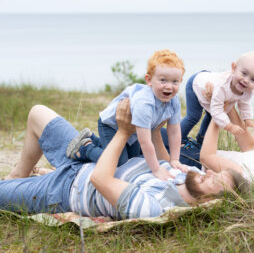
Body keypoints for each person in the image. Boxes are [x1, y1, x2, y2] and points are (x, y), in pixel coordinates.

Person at [0, 100, 245, 219]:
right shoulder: (189, 173)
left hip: (65, 189)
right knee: (37, 113)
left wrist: (124, 131)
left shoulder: (154, 207)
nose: (210, 172)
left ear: (210, 203)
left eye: (217, 181)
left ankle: (20, 183)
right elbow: (162, 161)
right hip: (85, 157)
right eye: (217, 172)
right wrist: (154, 128)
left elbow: (100, 179)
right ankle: (17, 176)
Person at [67, 49, 188, 181]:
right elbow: (145, 141)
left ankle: (95, 140)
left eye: (175, 81)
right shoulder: (144, 103)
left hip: (134, 129)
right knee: (120, 163)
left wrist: (175, 159)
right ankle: (86, 148)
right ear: (149, 80)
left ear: (181, 80)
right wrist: (156, 169)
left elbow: (174, 131)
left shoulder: (174, 100)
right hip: (112, 125)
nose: (169, 86)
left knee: (133, 160)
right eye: (163, 80)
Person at [180, 51, 254, 147]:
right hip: (197, 83)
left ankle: (202, 139)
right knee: (194, 116)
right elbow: (217, 111)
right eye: (244, 73)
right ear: (233, 68)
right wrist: (229, 126)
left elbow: (245, 104)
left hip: (210, 80)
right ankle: (179, 138)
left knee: (211, 115)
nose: (246, 80)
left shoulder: (248, 91)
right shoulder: (222, 87)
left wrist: (248, 119)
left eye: (253, 80)